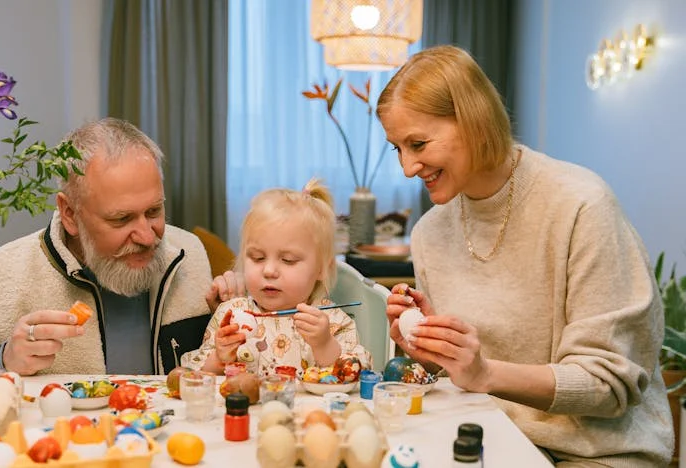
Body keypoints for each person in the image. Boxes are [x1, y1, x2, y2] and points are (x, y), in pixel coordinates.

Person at [378, 45, 672, 466]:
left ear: (474, 120)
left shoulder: (581, 206)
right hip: (487, 434)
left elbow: (610, 387)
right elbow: (462, 376)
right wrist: (429, 349)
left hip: (596, 451)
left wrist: (485, 373)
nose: (407, 167)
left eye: (418, 144)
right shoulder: (430, 232)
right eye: (397, 148)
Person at [0, 117, 239, 376]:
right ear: (70, 214)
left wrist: (235, 314)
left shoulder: (191, 254)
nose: (148, 238)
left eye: (153, 212)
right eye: (122, 219)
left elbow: (229, 371)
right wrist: (5, 363)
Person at [181, 179, 371, 376]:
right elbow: (194, 376)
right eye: (258, 258)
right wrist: (219, 359)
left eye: (288, 260)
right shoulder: (230, 314)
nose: (269, 270)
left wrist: (324, 346)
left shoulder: (332, 321)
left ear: (322, 269)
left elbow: (356, 375)